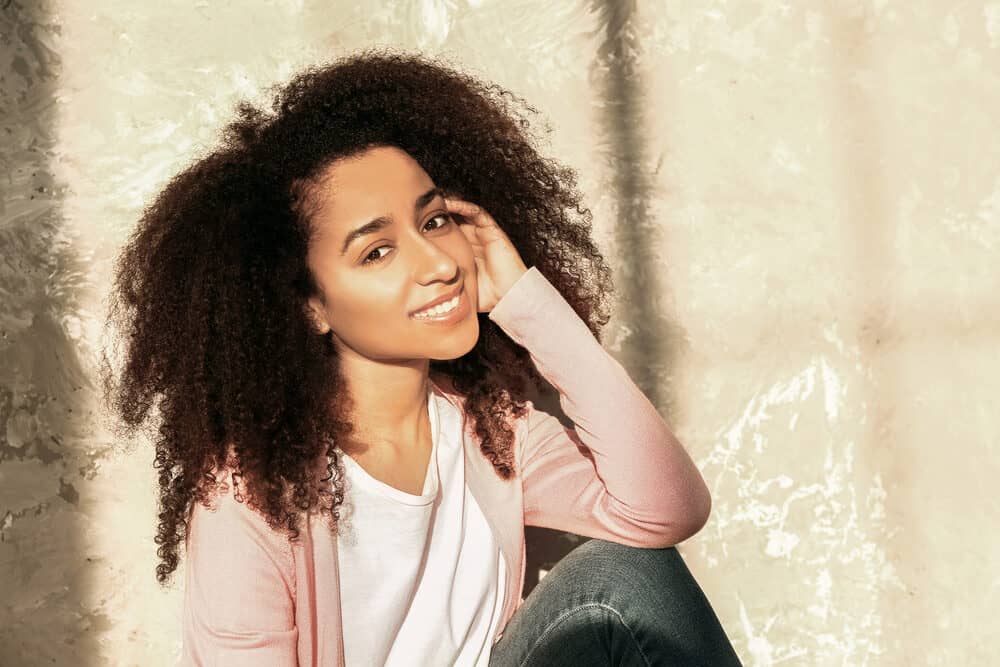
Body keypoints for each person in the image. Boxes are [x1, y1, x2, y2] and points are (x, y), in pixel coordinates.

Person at [101, 47, 742, 666]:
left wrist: (524, 300)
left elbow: (666, 510)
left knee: (625, 571)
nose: (439, 263)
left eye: (434, 221)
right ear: (308, 305)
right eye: (376, 251)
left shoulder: (492, 434)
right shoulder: (250, 496)